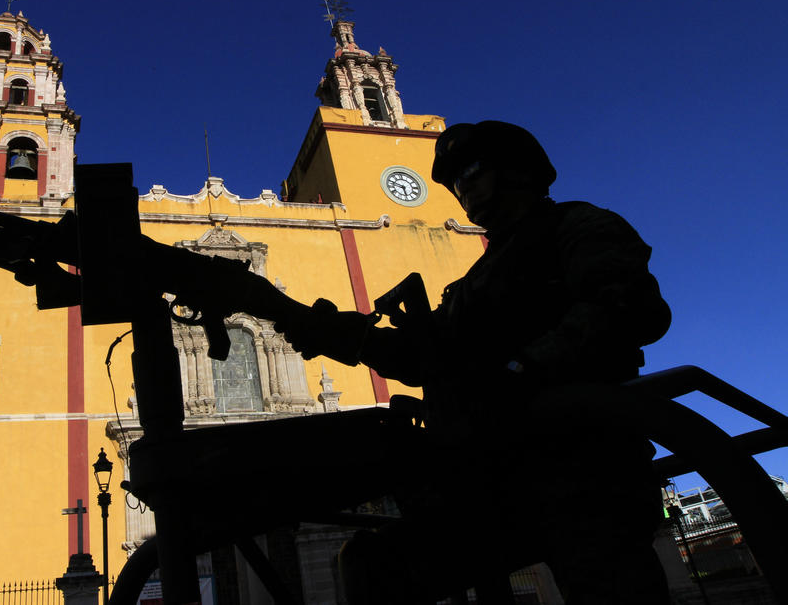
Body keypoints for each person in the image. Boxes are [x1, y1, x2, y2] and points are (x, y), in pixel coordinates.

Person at [269, 121, 673, 604]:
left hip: (584, 467)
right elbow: (427, 358)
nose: (465, 194)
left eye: (474, 174)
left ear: (518, 171)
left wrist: (520, 373)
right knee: (373, 562)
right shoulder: (473, 282)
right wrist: (343, 338)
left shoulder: (579, 226)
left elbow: (627, 306)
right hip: (496, 477)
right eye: (458, 184)